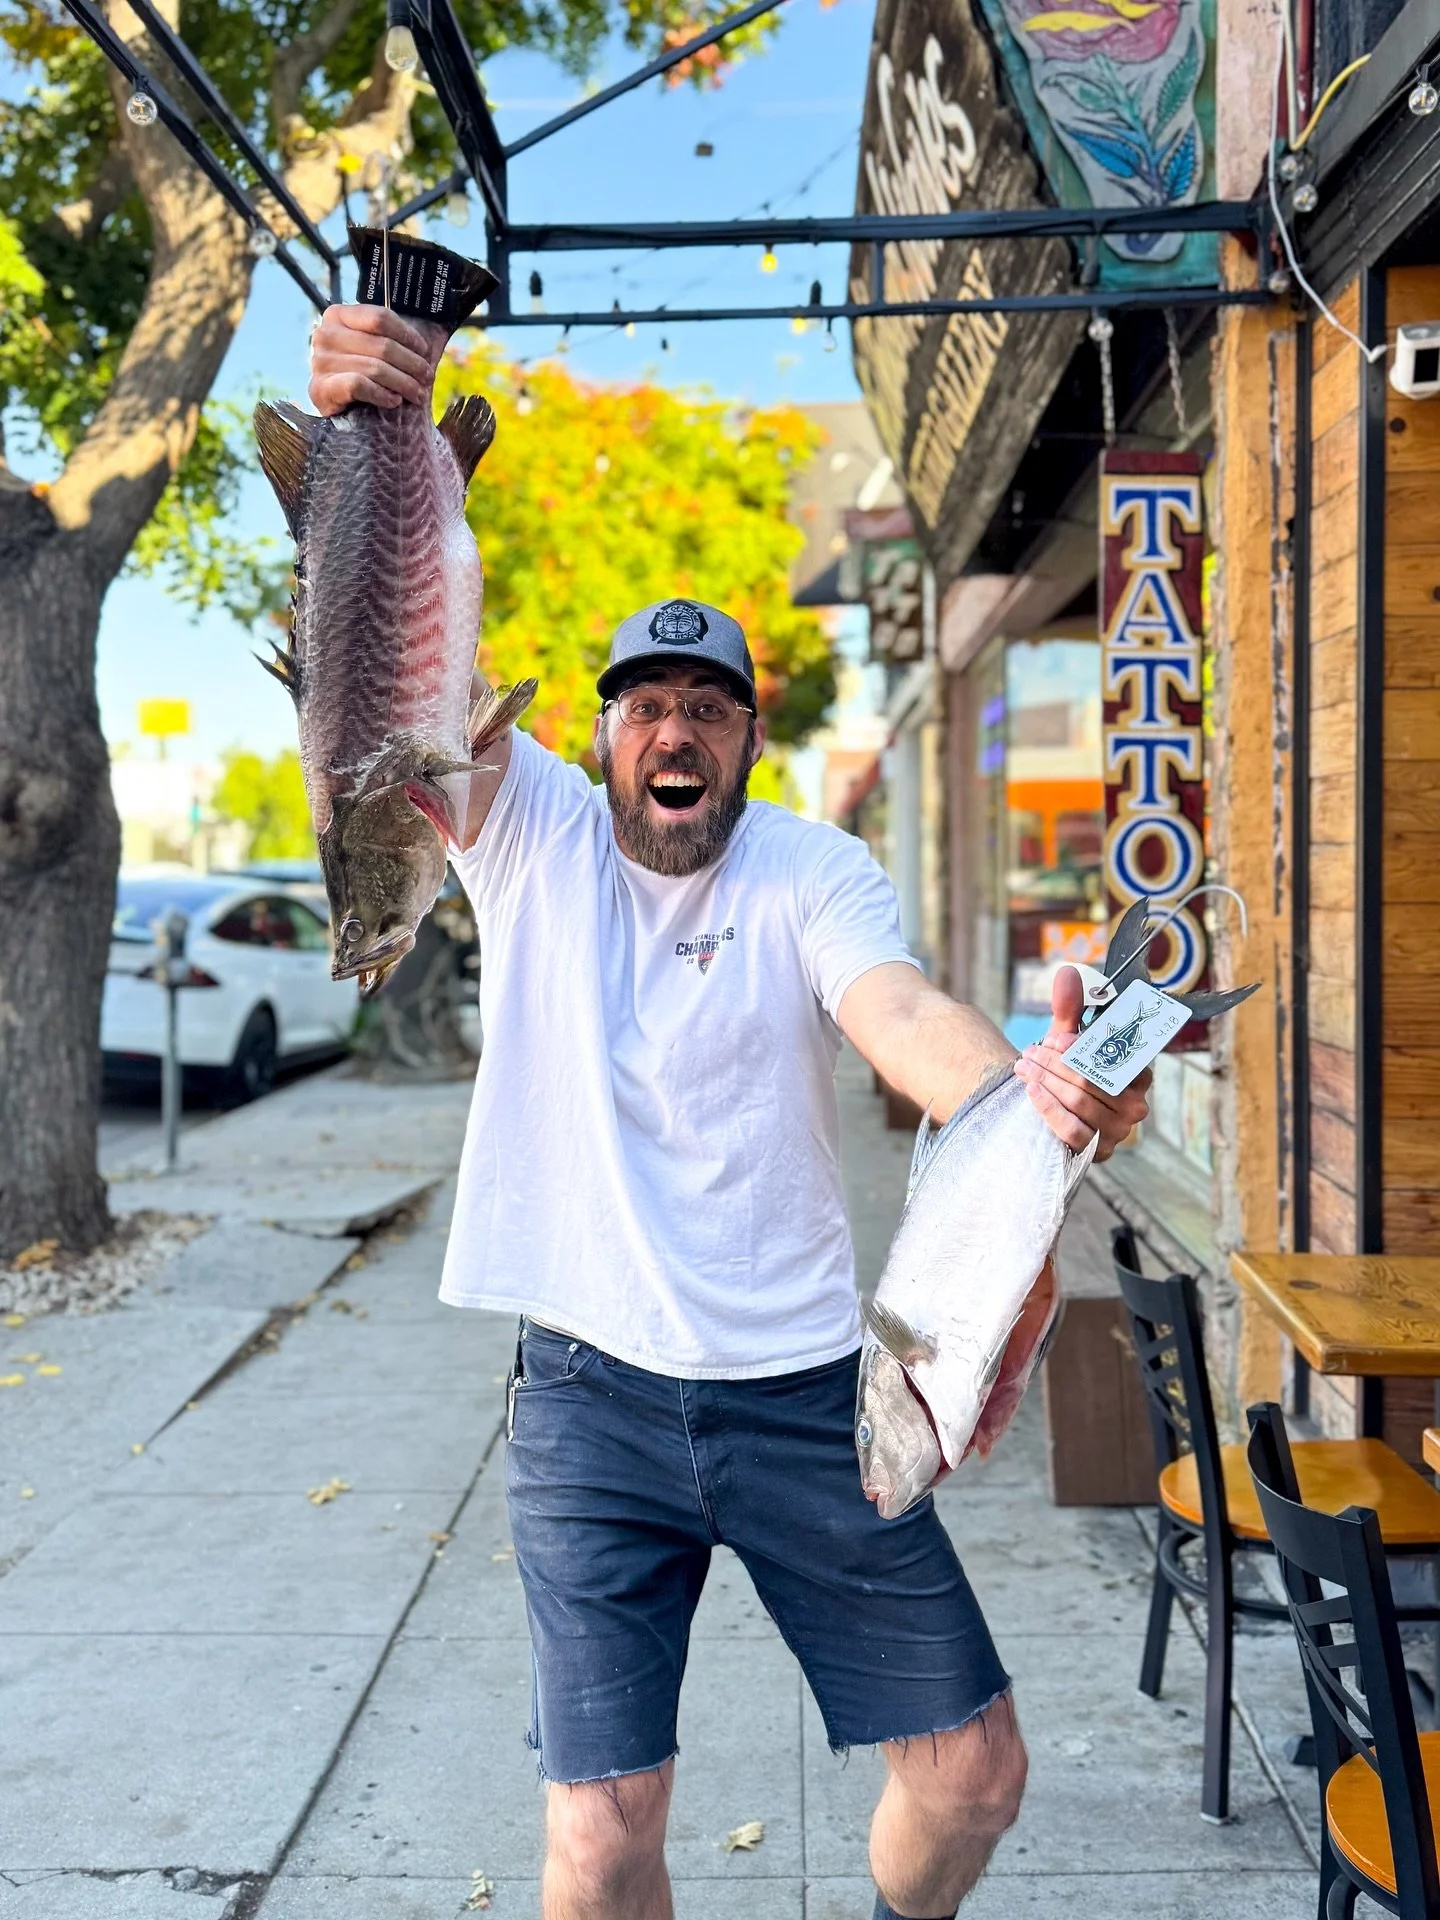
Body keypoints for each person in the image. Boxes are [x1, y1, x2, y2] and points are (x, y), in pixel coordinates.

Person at [309, 304, 1151, 1920]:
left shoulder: (809, 871)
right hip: (588, 1398)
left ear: (751, 739)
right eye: (644, 704)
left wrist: (1026, 1099)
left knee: (973, 1777)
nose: (673, 730)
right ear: (600, 734)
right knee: (600, 1836)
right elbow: (394, 686)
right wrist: (353, 419)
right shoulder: (531, 830)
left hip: (804, 1394)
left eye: (707, 705)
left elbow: (897, 1015)